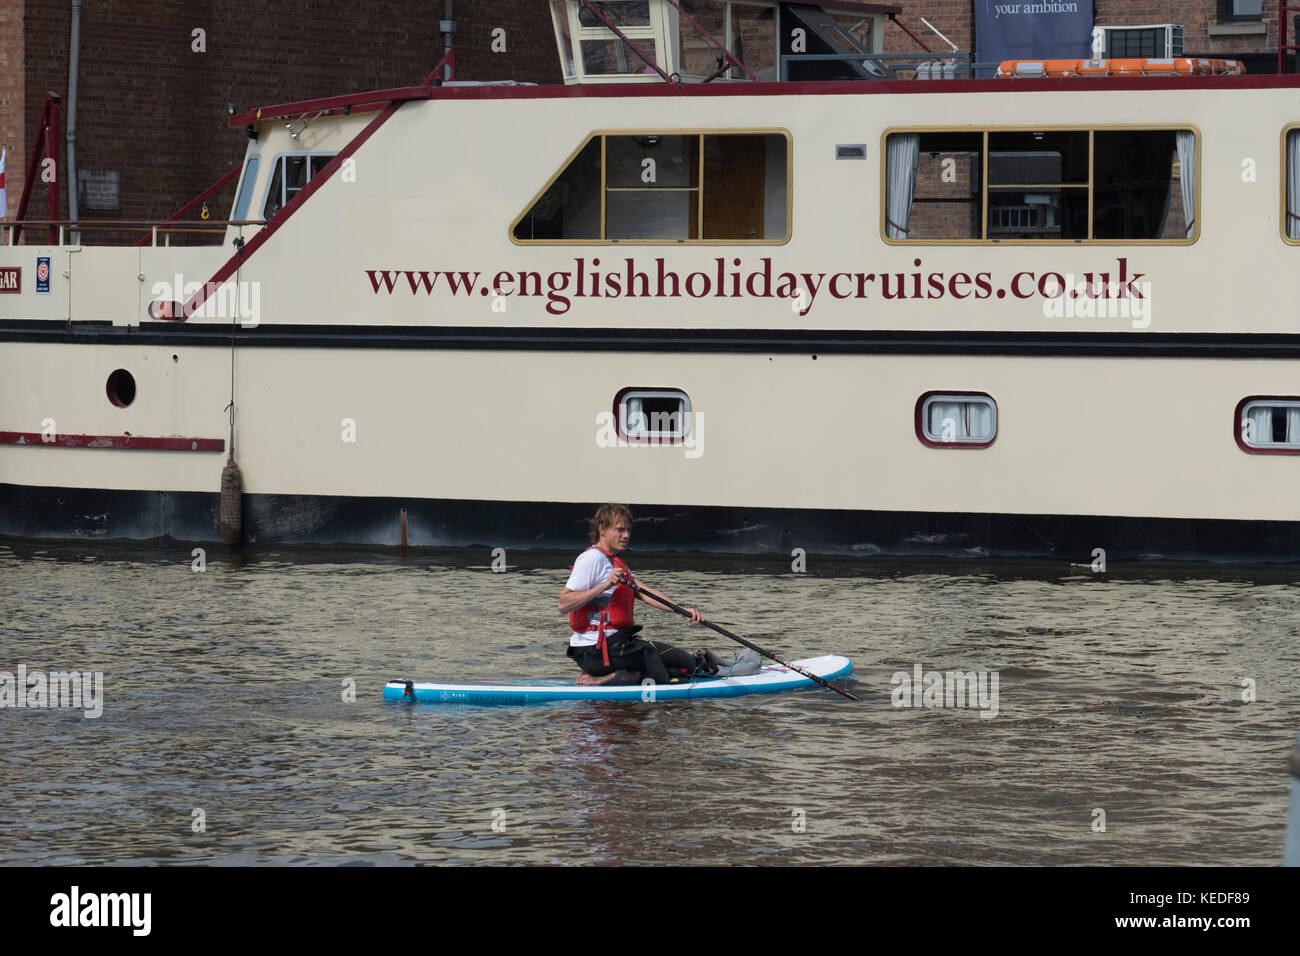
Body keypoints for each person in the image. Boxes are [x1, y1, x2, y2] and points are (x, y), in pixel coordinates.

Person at [559, 503, 720, 685]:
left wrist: (681, 610)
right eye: (620, 530)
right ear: (602, 529)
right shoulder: (591, 559)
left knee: (680, 666)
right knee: (671, 664)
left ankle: (603, 677)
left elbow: (645, 593)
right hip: (595, 651)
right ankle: (605, 679)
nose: (626, 535)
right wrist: (605, 585)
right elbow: (564, 604)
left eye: (628, 530)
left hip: (613, 648)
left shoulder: (614, 561)